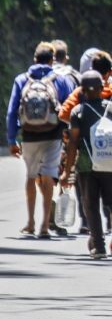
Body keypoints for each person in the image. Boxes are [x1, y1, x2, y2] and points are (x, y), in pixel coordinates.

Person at [6, 42, 77, 238]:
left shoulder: (22, 79)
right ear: (52, 60)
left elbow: (12, 112)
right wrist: (68, 134)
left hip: (29, 135)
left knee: (30, 176)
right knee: (48, 175)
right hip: (53, 134)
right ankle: (45, 225)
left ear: (35, 59)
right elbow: (68, 108)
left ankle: (30, 222)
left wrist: (12, 139)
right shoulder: (60, 80)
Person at [59, 70, 112, 258]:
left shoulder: (78, 112)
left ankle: (98, 246)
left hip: (87, 166)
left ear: (82, 90)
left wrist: (67, 171)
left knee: (90, 205)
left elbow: (73, 142)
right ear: (102, 88)